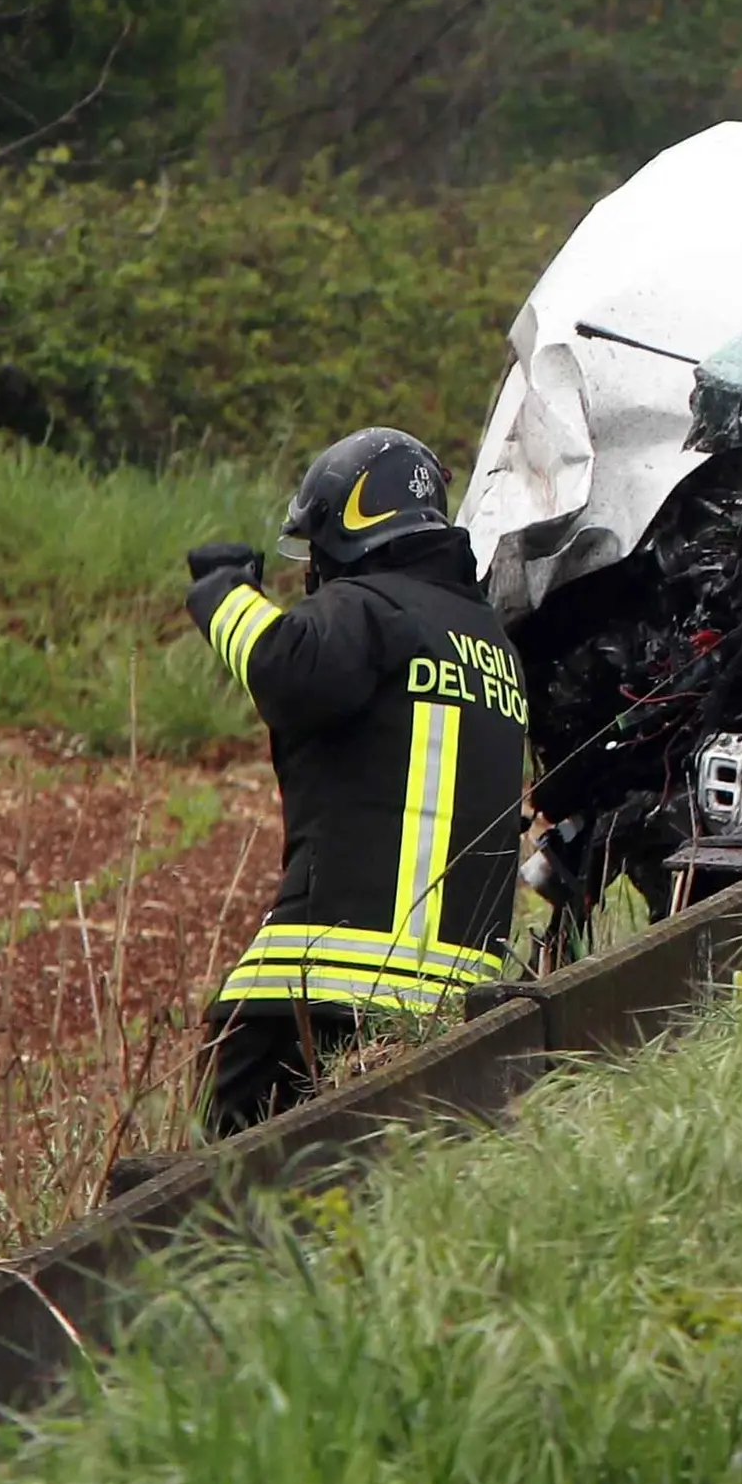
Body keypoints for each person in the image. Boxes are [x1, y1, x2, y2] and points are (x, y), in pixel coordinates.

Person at [181, 429, 528, 1135]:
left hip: (329, 976)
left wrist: (224, 595)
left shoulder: (368, 608)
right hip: (455, 1000)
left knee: (217, 1204)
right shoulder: (493, 647)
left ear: (349, 527)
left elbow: (290, 671)